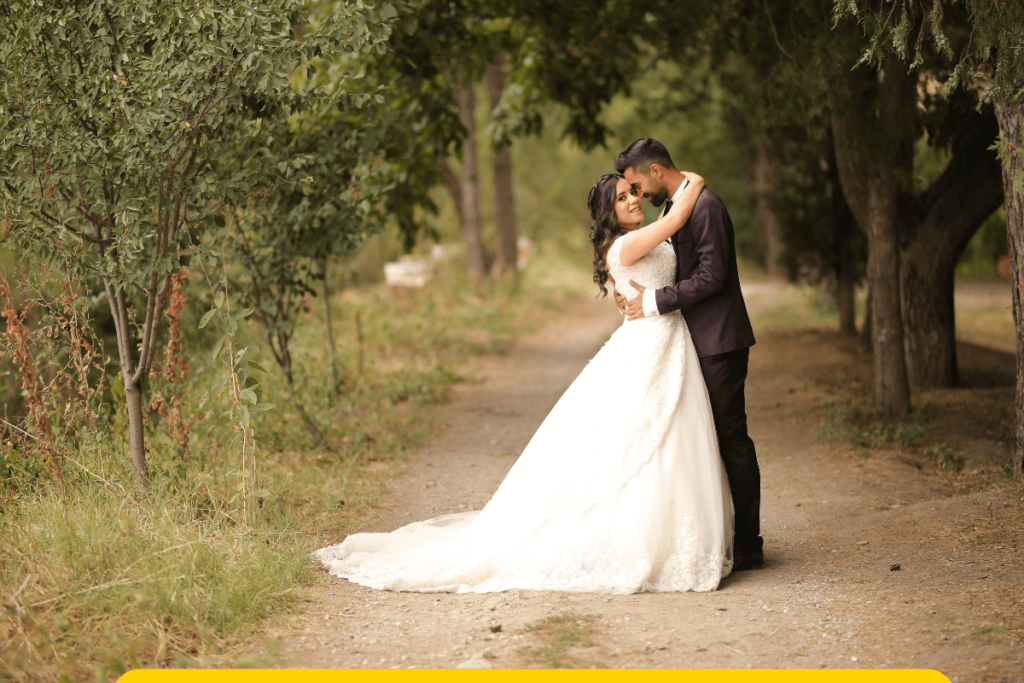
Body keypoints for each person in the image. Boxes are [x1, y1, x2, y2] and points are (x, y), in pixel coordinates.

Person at [315, 170, 735, 594]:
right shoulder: (626, 244)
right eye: (623, 197)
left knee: (668, 435)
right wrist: (693, 180)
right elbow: (677, 218)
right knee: (639, 438)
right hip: (648, 343)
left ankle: (672, 532)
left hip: (667, 340)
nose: (633, 200)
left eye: (633, 193)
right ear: (608, 212)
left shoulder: (640, 237)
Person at [613, 138, 763, 571]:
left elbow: (713, 277)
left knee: (731, 438)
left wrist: (655, 300)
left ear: (657, 172)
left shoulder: (706, 206)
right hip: (689, 343)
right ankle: (714, 536)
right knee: (699, 442)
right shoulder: (675, 207)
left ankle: (749, 541)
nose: (638, 194)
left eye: (638, 184)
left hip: (719, 340)